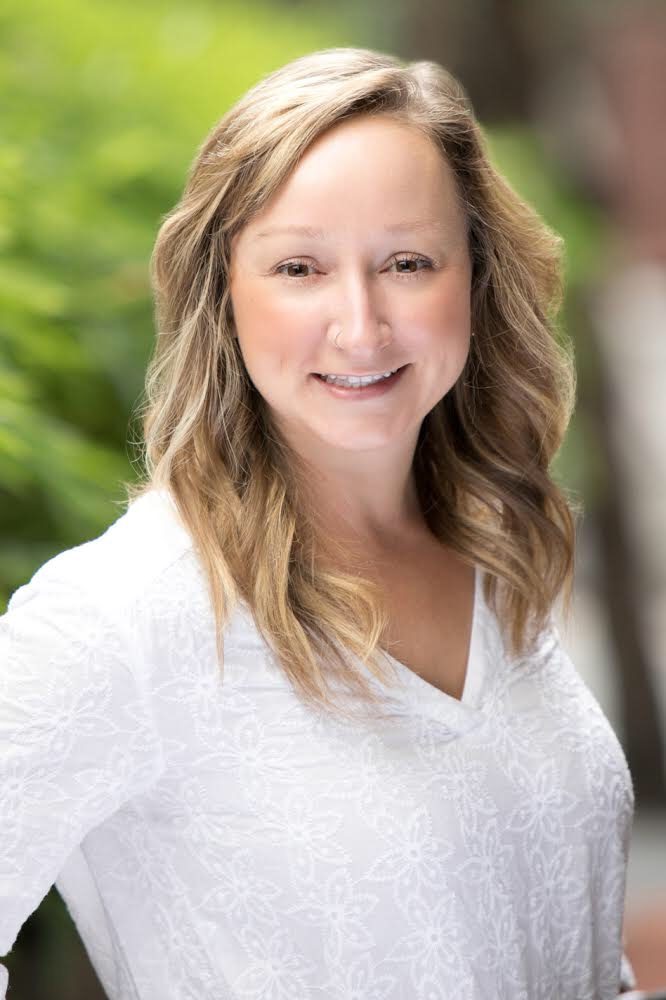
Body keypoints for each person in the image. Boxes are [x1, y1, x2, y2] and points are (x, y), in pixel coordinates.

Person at [0, 46, 637, 999]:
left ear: (476, 276)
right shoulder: (124, 615)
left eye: (408, 262)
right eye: (299, 266)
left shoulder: (499, 549)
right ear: (223, 289)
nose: (360, 323)